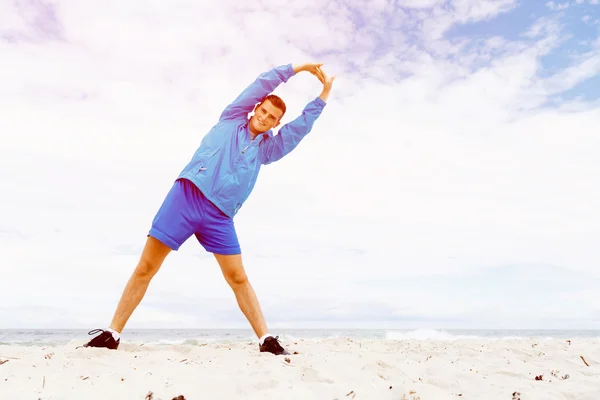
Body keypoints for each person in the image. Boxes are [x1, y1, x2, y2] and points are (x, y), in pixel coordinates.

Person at [82, 62, 335, 355]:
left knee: (238, 277)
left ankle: (265, 339)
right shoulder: (231, 118)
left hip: (220, 217)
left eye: (272, 117)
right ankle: (112, 333)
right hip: (186, 198)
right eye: (263, 111)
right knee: (147, 267)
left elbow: (299, 130)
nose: (265, 117)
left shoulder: (268, 150)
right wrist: (297, 68)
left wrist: (324, 95)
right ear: (255, 109)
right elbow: (261, 84)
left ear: (276, 123)